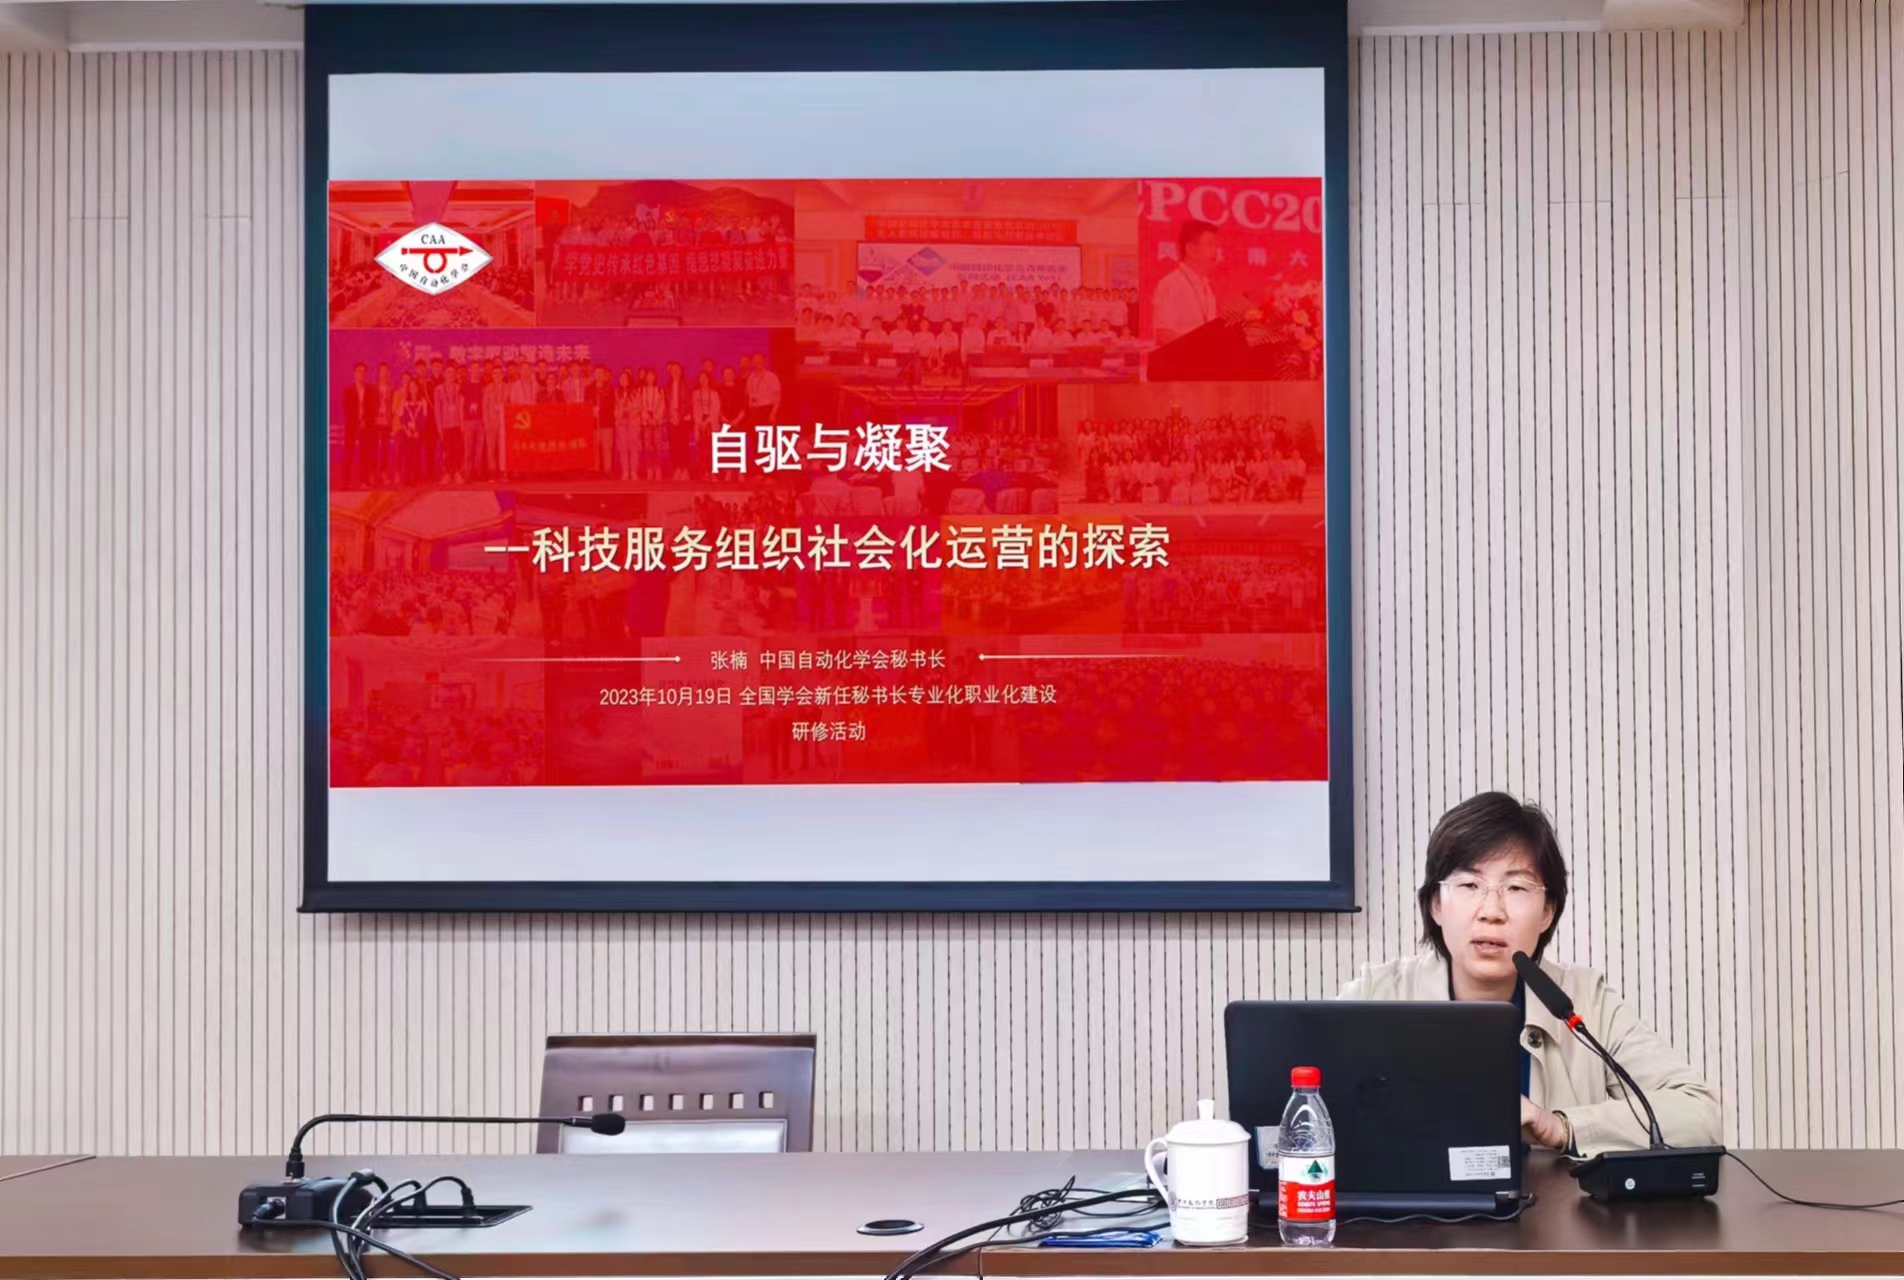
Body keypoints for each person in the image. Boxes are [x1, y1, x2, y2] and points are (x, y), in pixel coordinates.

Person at [1338, 792, 1722, 1158]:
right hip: (1414, 1207)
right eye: (1470, 885)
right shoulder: (1375, 994)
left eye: (1516, 887)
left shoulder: (1584, 1001)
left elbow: (1699, 1114)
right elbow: (1308, 1112)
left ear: (1547, 913)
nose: (1492, 911)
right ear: (1436, 904)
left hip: (1553, 1206)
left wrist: (1562, 1127)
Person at [1151, 219, 1222, 345]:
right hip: (1182, 358)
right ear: (1190, 249)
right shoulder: (1171, 284)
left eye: (1216, 245)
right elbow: (1164, 335)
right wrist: (1199, 346)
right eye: (1210, 244)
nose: (1215, 251)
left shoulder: (1207, 288)